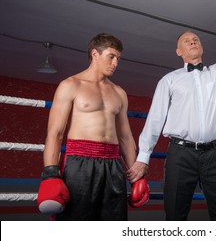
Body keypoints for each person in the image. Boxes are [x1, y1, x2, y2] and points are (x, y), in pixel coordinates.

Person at [127, 0, 216, 221]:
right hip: (180, 154)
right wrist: (143, 157)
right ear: (178, 51)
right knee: (175, 214)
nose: (193, 42)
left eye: (196, 39)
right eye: (187, 41)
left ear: (201, 46)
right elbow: (155, 119)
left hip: (215, 155)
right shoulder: (169, 80)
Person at [37, 33, 148, 221]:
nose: (115, 63)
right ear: (95, 54)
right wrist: (50, 173)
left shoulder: (119, 92)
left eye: (118, 59)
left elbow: (125, 137)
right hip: (79, 163)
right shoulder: (71, 85)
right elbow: (55, 133)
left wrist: (137, 176)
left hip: (113, 165)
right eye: (111, 57)